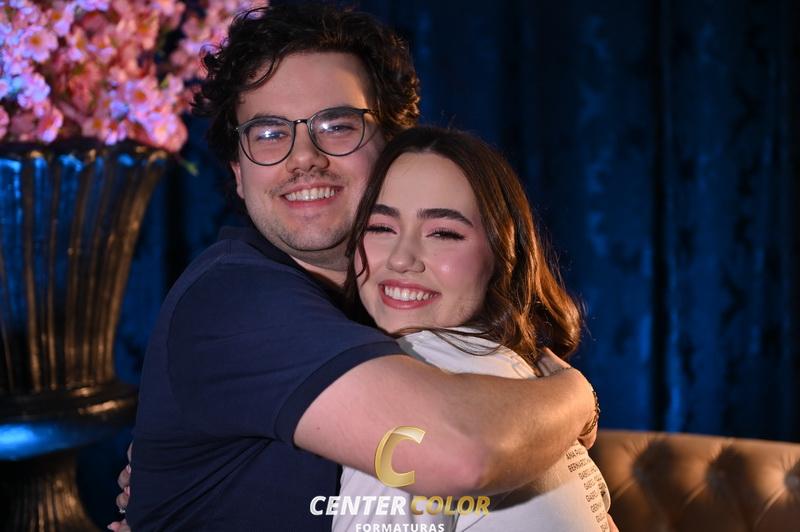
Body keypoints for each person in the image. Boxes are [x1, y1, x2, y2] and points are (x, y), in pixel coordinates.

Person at [120, 4, 600, 530]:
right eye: (269, 133)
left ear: (392, 146)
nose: (303, 157)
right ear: (238, 172)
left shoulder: (396, 315)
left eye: (337, 125)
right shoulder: (235, 300)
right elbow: (460, 453)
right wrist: (576, 397)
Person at [335, 126, 613, 531]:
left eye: (444, 233)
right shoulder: (525, 376)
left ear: (503, 253)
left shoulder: (400, 390)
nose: (401, 258)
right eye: (381, 228)